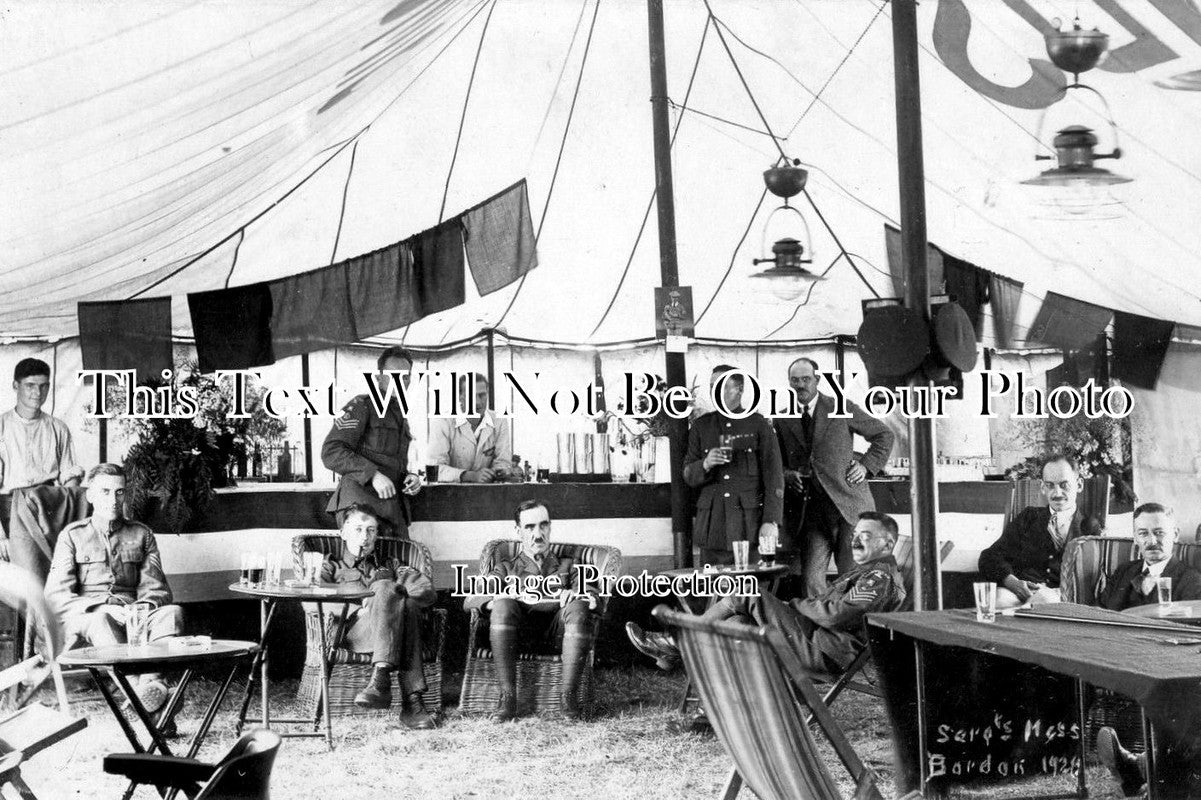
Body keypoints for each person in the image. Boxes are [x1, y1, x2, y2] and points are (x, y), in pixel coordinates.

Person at [629, 511, 906, 679]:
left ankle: (677, 642)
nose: (855, 540)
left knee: (746, 593)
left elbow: (837, 615)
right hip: (817, 639)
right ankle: (712, 703)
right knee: (739, 624)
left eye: (866, 536)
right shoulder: (867, 572)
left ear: (888, 543)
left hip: (827, 651)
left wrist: (795, 604)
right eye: (855, 534)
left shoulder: (879, 578)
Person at [44, 463, 182, 712]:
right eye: (105, 492)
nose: (114, 500)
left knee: (172, 614)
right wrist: (100, 606)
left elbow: (157, 589)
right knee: (101, 619)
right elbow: (55, 595)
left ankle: (150, 687)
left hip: (133, 615)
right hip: (86, 618)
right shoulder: (72, 535)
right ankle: (143, 693)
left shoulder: (142, 534)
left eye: (120, 492)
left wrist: (141, 608)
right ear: (91, 495)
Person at [463, 500, 597, 722]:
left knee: (578, 605)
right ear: (518, 531)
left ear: (550, 527)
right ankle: (508, 698)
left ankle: (568, 698)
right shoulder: (505, 568)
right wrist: (497, 599)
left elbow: (593, 597)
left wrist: (578, 596)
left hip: (561, 637)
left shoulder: (569, 566)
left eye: (543, 525)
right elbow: (471, 599)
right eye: (529, 527)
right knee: (502, 604)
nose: (538, 534)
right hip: (516, 638)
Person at [774, 358, 894, 597]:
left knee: (852, 576)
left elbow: (884, 435)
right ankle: (823, 631)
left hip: (849, 509)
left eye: (806, 379)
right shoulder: (783, 416)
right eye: (795, 380)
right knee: (811, 581)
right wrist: (787, 474)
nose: (801, 385)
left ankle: (855, 632)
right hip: (811, 514)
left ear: (817, 380)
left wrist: (865, 466)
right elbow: (776, 460)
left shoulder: (840, 406)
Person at [316, 503, 437, 730]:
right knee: (390, 592)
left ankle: (381, 680)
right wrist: (357, 609)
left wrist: (390, 592)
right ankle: (412, 702)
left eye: (371, 530)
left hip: (391, 632)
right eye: (358, 529)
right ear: (343, 532)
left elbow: (426, 591)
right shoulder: (330, 565)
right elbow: (310, 601)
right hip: (353, 634)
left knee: (405, 603)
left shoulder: (390, 564)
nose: (365, 537)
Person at [683, 365, 783, 567]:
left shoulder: (759, 425)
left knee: (751, 590)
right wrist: (705, 463)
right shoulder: (701, 427)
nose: (714, 392)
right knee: (711, 592)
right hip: (713, 529)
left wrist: (771, 521)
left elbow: (774, 476)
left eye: (721, 386)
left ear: (739, 389)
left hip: (749, 527)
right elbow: (687, 475)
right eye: (712, 387)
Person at [978, 453, 1103, 609]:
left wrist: (1055, 592)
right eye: (1050, 485)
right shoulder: (1028, 518)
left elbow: (1092, 579)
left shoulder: (1090, 527)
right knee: (998, 599)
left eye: (1064, 485)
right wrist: (1012, 582)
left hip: (1060, 598)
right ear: (1043, 487)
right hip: (1020, 591)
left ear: (1079, 485)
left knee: (1043, 601)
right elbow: (990, 557)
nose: (1057, 493)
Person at [322, 347, 423, 537]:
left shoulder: (399, 413)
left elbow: (392, 460)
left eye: (406, 377)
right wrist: (373, 475)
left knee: (405, 564)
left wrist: (411, 477)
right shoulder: (363, 405)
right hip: (360, 506)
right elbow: (331, 451)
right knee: (365, 565)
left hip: (390, 508)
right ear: (378, 378)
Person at [0, 357, 84, 501]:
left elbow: (70, 474)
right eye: (30, 385)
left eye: (43, 386)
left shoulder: (58, 428)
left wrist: (67, 505)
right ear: (15, 386)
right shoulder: (2, 425)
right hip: (10, 504)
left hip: (48, 503)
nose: (38, 393)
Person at [1098, 502, 1201, 611]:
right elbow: (1099, 613)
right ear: (1135, 538)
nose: (1152, 541)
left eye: (1159, 533)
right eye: (1143, 533)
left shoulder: (1191, 580)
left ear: (1175, 535)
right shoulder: (1123, 571)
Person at [426, 372, 513, 483]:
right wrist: (469, 476)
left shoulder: (499, 421)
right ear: (460, 398)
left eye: (482, 395)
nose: (478, 402)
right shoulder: (443, 422)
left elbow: (503, 463)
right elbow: (435, 469)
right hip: (448, 493)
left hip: (486, 493)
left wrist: (497, 472)